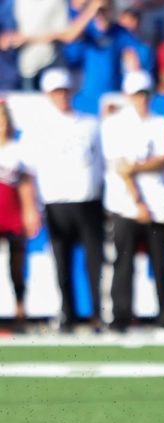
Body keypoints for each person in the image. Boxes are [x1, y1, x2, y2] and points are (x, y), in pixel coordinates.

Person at [25, 67, 105, 333]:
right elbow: (30, 171)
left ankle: (98, 314)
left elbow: (102, 164)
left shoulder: (90, 124)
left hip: (88, 200)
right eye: (55, 92)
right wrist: (33, 207)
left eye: (64, 91)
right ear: (48, 95)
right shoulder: (38, 129)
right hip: (56, 202)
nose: (61, 96)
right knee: (62, 263)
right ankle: (67, 314)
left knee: (94, 262)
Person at [102, 70, 164, 332]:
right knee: (123, 263)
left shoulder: (162, 123)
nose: (141, 99)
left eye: (144, 94)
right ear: (128, 96)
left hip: (159, 203)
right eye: (136, 94)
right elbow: (122, 169)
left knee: (159, 263)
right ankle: (120, 317)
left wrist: (136, 166)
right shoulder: (114, 124)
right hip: (127, 204)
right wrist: (138, 202)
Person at [0, 100, 39, 331]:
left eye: (4, 122)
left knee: (17, 265)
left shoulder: (18, 149)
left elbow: (25, 183)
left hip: (12, 211)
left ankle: (20, 311)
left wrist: (30, 211)